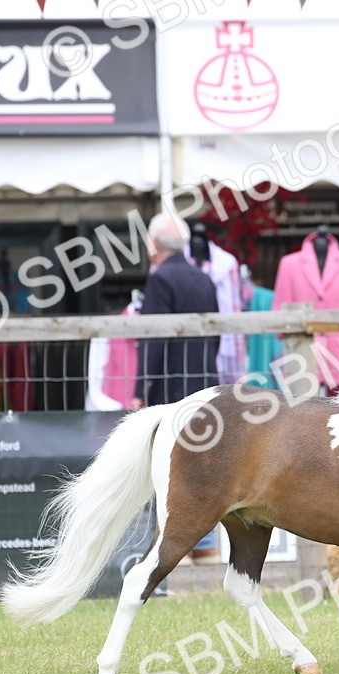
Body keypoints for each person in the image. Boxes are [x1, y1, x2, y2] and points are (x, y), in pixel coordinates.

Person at [129, 213, 222, 564]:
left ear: (153, 246)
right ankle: (205, 543)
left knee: (166, 463)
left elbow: (153, 339)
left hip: (169, 385)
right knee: (203, 460)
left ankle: (170, 544)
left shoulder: (159, 280)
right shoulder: (205, 279)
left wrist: (141, 387)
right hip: (204, 383)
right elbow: (215, 335)